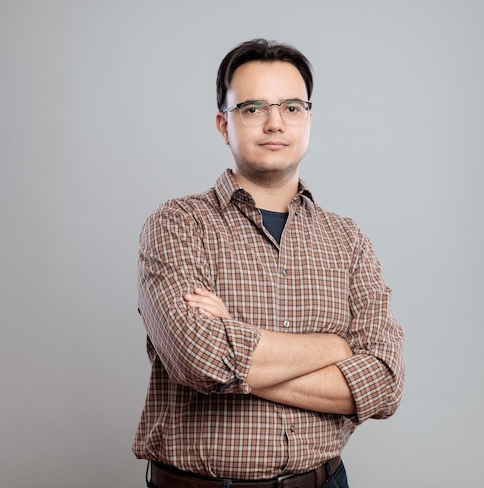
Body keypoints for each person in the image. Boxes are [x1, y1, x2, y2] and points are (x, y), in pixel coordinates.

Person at [133, 38, 405, 488]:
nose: (275, 123)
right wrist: (335, 348)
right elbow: (199, 361)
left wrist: (234, 343)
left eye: (292, 108)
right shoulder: (178, 224)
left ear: (309, 119)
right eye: (253, 108)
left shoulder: (348, 239)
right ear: (224, 124)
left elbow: (384, 384)